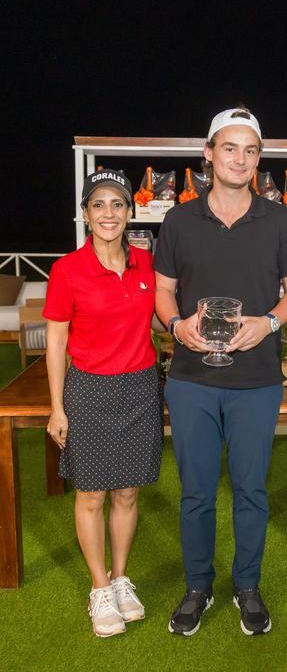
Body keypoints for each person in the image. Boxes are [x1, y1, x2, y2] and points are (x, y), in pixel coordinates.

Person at [154, 107, 287, 637]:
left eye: (250, 150)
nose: (239, 159)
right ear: (209, 154)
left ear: (258, 160)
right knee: (196, 492)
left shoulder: (280, 219)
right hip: (193, 378)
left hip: (256, 381)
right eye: (229, 148)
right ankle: (198, 586)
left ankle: (247, 586)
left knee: (250, 491)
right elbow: (163, 291)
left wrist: (267, 324)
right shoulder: (178, 219)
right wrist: (176, 326)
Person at [44, 169, 164, 637]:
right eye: (98, 205)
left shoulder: (145, 264)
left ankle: (120, 577)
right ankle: (99, 588)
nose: (108, 213)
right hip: (89, 390)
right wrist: (57, 406)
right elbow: (56, 342)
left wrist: (188, 327)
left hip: (139, 387)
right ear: (85, 214)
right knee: (92, 493)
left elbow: (155, 321)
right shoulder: (67, 270)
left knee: (128, 490)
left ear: (130, 211)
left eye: (117, 204)